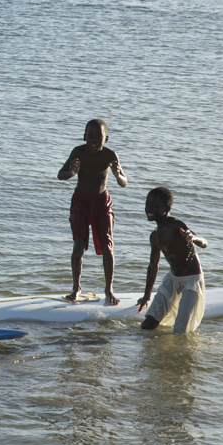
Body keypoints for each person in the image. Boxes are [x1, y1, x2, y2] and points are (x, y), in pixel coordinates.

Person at [57, 118, 127, 305]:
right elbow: (60, 174)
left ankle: (109, 290)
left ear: (106, 139)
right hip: (80, 202)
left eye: (98, 137)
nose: (94, 140)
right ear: (84, 136)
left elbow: (124, 182)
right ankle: (76, 288)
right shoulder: (78, 152)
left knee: (107, 246)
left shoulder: (110, 155)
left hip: (101, 203)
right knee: (78, 245)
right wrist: (71, 173)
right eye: (90, 136)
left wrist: (118, 175)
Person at [136, 187, 208, 333]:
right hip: (172, 279)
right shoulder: (154, 236)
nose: (149, 208)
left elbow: (204, 242)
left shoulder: (176, 226)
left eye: (154, 205)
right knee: (147, 326)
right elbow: (153, 266)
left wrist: (192, 238)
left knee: (180, 331)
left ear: (167, 208)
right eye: (147, 204)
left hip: (191, 280)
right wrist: (146, 295)